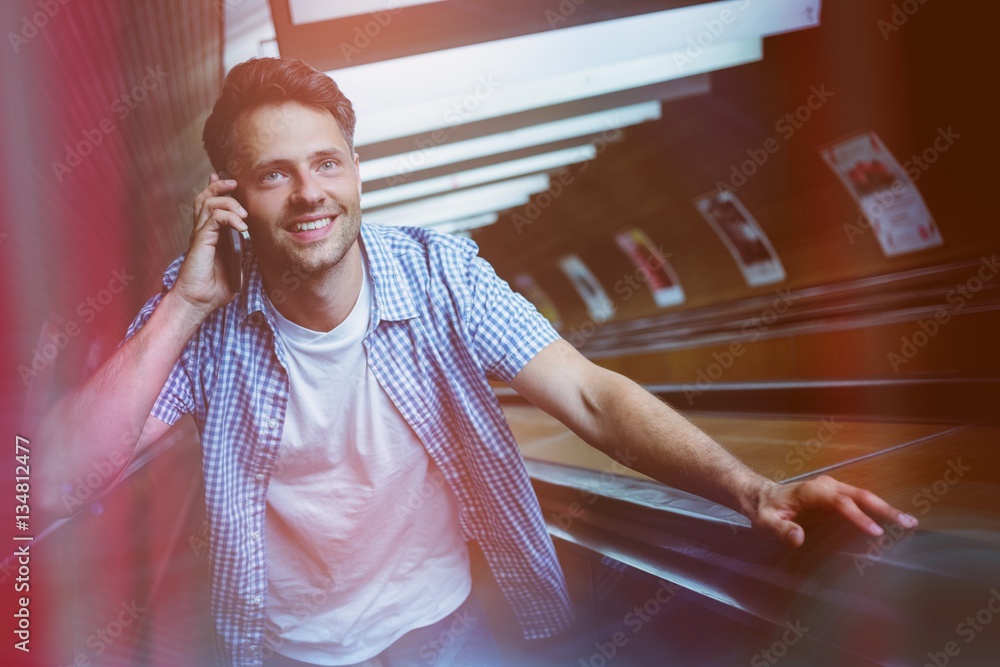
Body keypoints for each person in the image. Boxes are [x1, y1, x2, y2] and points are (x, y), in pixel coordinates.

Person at [36, 57, 918, 667]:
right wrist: (186, 305)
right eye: (272, 175)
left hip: (450, 635)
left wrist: (754, 490)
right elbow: (53, 482)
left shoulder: (441, 270)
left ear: (353, 169)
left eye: (326, 163)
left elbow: (588, 392)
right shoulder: (202, 312)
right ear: (228, 199)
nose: (309, 193)